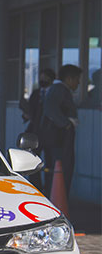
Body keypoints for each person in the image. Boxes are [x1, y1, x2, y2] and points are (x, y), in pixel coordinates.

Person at [40, 64, 82, 196]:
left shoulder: (57, 89)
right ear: (69, 79)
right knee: (61, 168)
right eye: (77, 79)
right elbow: (50, 108)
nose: (79, 83)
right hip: (60, 137)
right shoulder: (59, 89)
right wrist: (66, 124)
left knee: (58, 168)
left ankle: (56, 197)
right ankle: (58, 199)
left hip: (58, 136)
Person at [23, 68, 55, 191]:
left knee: (50, 162)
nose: (42, 81)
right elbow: (31, 110)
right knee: (34, 161)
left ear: (51, 79)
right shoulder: (36, 93)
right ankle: (36, 187)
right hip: (35, 132)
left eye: (45, 78)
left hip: (50, 133)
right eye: (41, 78)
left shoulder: (53, 93)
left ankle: (49, 188)